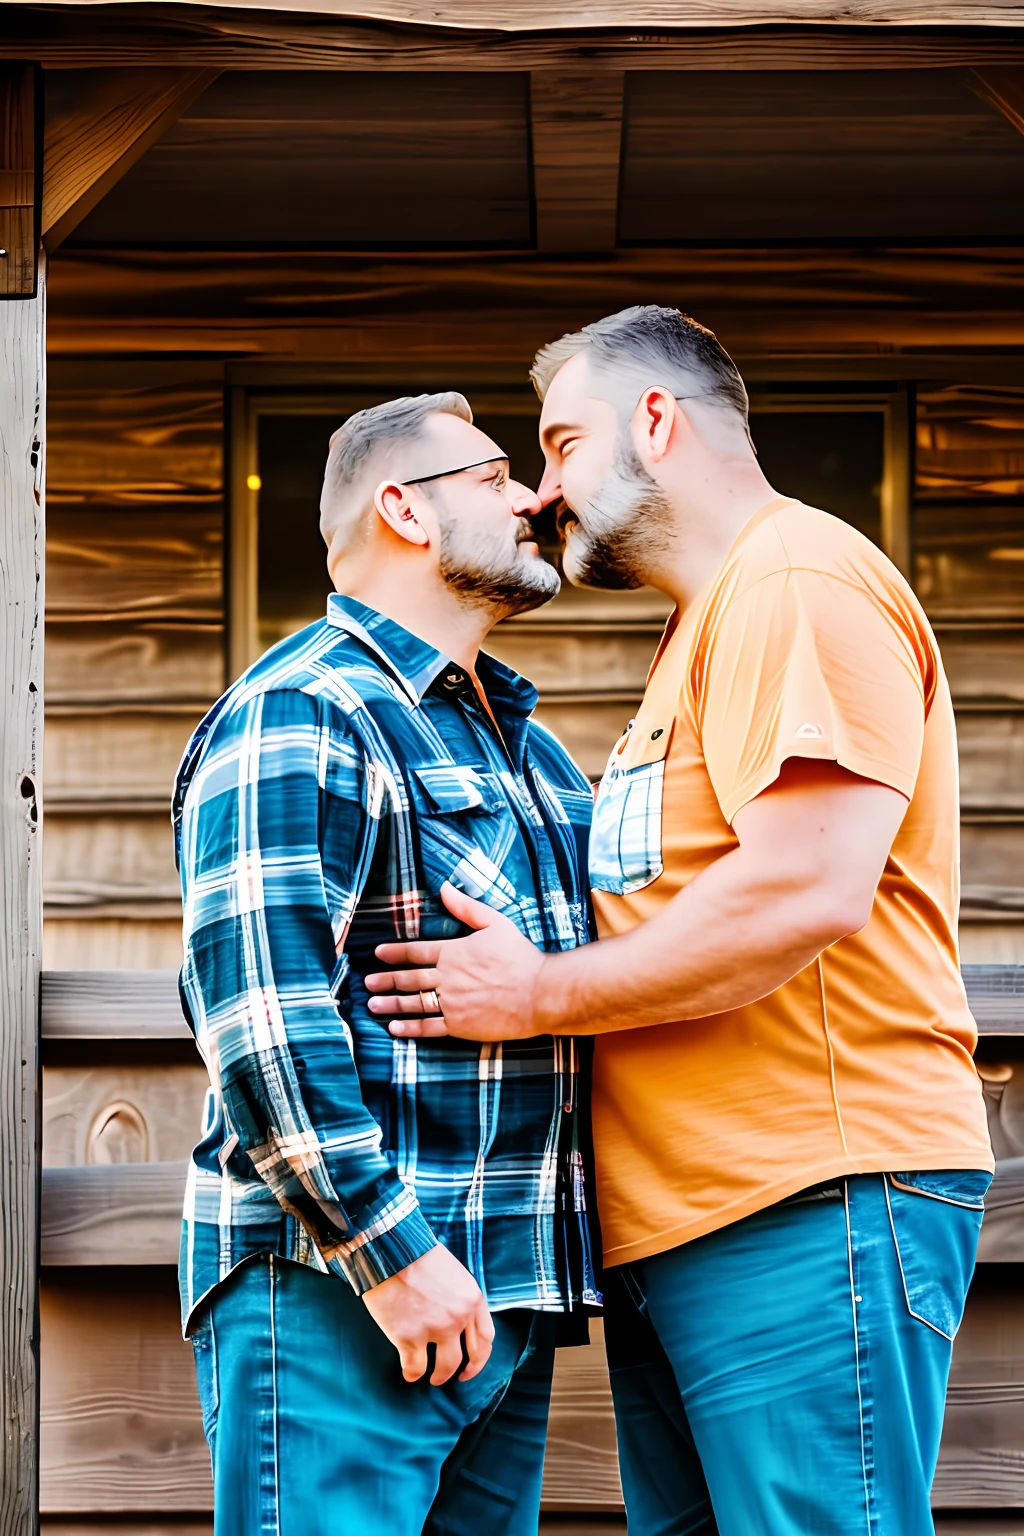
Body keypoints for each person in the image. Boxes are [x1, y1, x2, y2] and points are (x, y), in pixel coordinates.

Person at [365, 307, 995, 1536]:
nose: (542, 492)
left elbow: (807, 886)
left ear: (654, 420)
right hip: (693, 1229)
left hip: (809, 1194)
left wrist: (538, 992)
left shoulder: (795, 580)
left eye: (557, 444)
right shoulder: (705, 627)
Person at [171, 391, 599, 1536]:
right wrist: (388, 1253)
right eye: (499, 475)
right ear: (404, 510)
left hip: (500, 1303)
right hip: (343, 1293)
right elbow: (260, 1011)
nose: (533, 498)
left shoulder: (533, 750)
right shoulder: (304, 708)